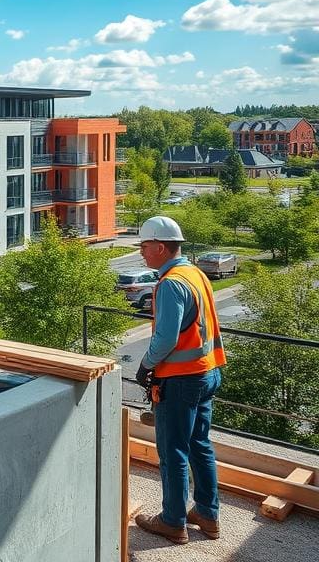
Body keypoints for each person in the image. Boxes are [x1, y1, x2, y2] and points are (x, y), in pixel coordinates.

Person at [133, 216, 226, 546]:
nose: (142, 253)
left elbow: (167, 337)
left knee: (172, 452)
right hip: (207, 373)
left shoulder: (171, 283)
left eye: (144, 246)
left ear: (160, 247)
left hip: (182, 380)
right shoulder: (195, 273)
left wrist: (145, 366)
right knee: (200, 444)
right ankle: (208, 515)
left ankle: (173, 521)